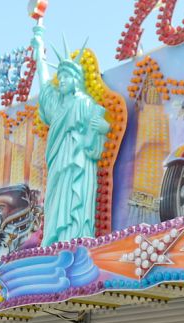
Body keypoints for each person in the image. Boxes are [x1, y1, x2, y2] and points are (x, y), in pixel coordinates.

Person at [31, 25, 110, 247]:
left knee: (77, 196)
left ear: (76, 79)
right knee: (56, 199)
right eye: (61, 76)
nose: (62, 80)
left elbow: (98, 130)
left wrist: (102, 128)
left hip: (79, 160)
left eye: (66, 76)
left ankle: (77, 234)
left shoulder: (84, 103)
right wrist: (39, 52)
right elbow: (44, 83)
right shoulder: (56, 105)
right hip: (58, 160)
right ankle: (55, 239)